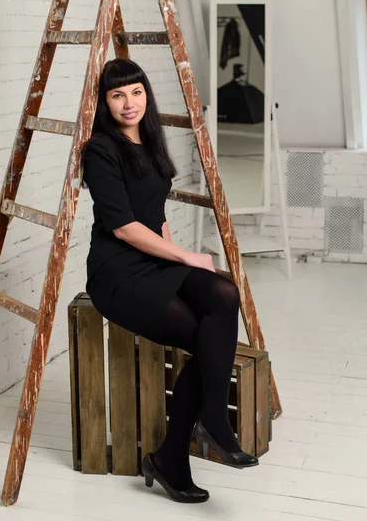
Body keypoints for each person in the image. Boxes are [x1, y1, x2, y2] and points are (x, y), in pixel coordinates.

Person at [81, 58, 258, 504]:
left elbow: (155, 217)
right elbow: (122, 227)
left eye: (136, 91)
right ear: (105, 102)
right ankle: (187, 444)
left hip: (154, 260)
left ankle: (195, 434)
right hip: (117, 271)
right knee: (205, 336)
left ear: (146, 94)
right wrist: (185, 257)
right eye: (117, 94)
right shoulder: (101, 149)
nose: (129, 102)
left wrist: (181, 267)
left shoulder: (152, 141)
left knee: (222, 293)